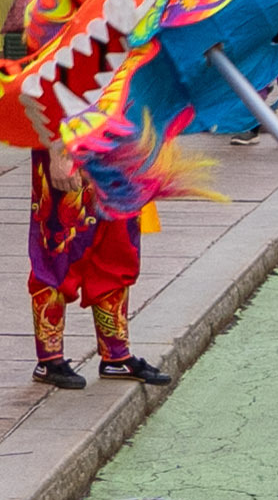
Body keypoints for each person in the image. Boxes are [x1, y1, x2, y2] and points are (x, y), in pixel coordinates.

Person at [25, 144, 170, 388]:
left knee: (118, 251)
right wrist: (58, 153)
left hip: (120, 150)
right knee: (59, 250)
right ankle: (49, 359)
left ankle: (116, 356)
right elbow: (45, 105)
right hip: (71, 144)